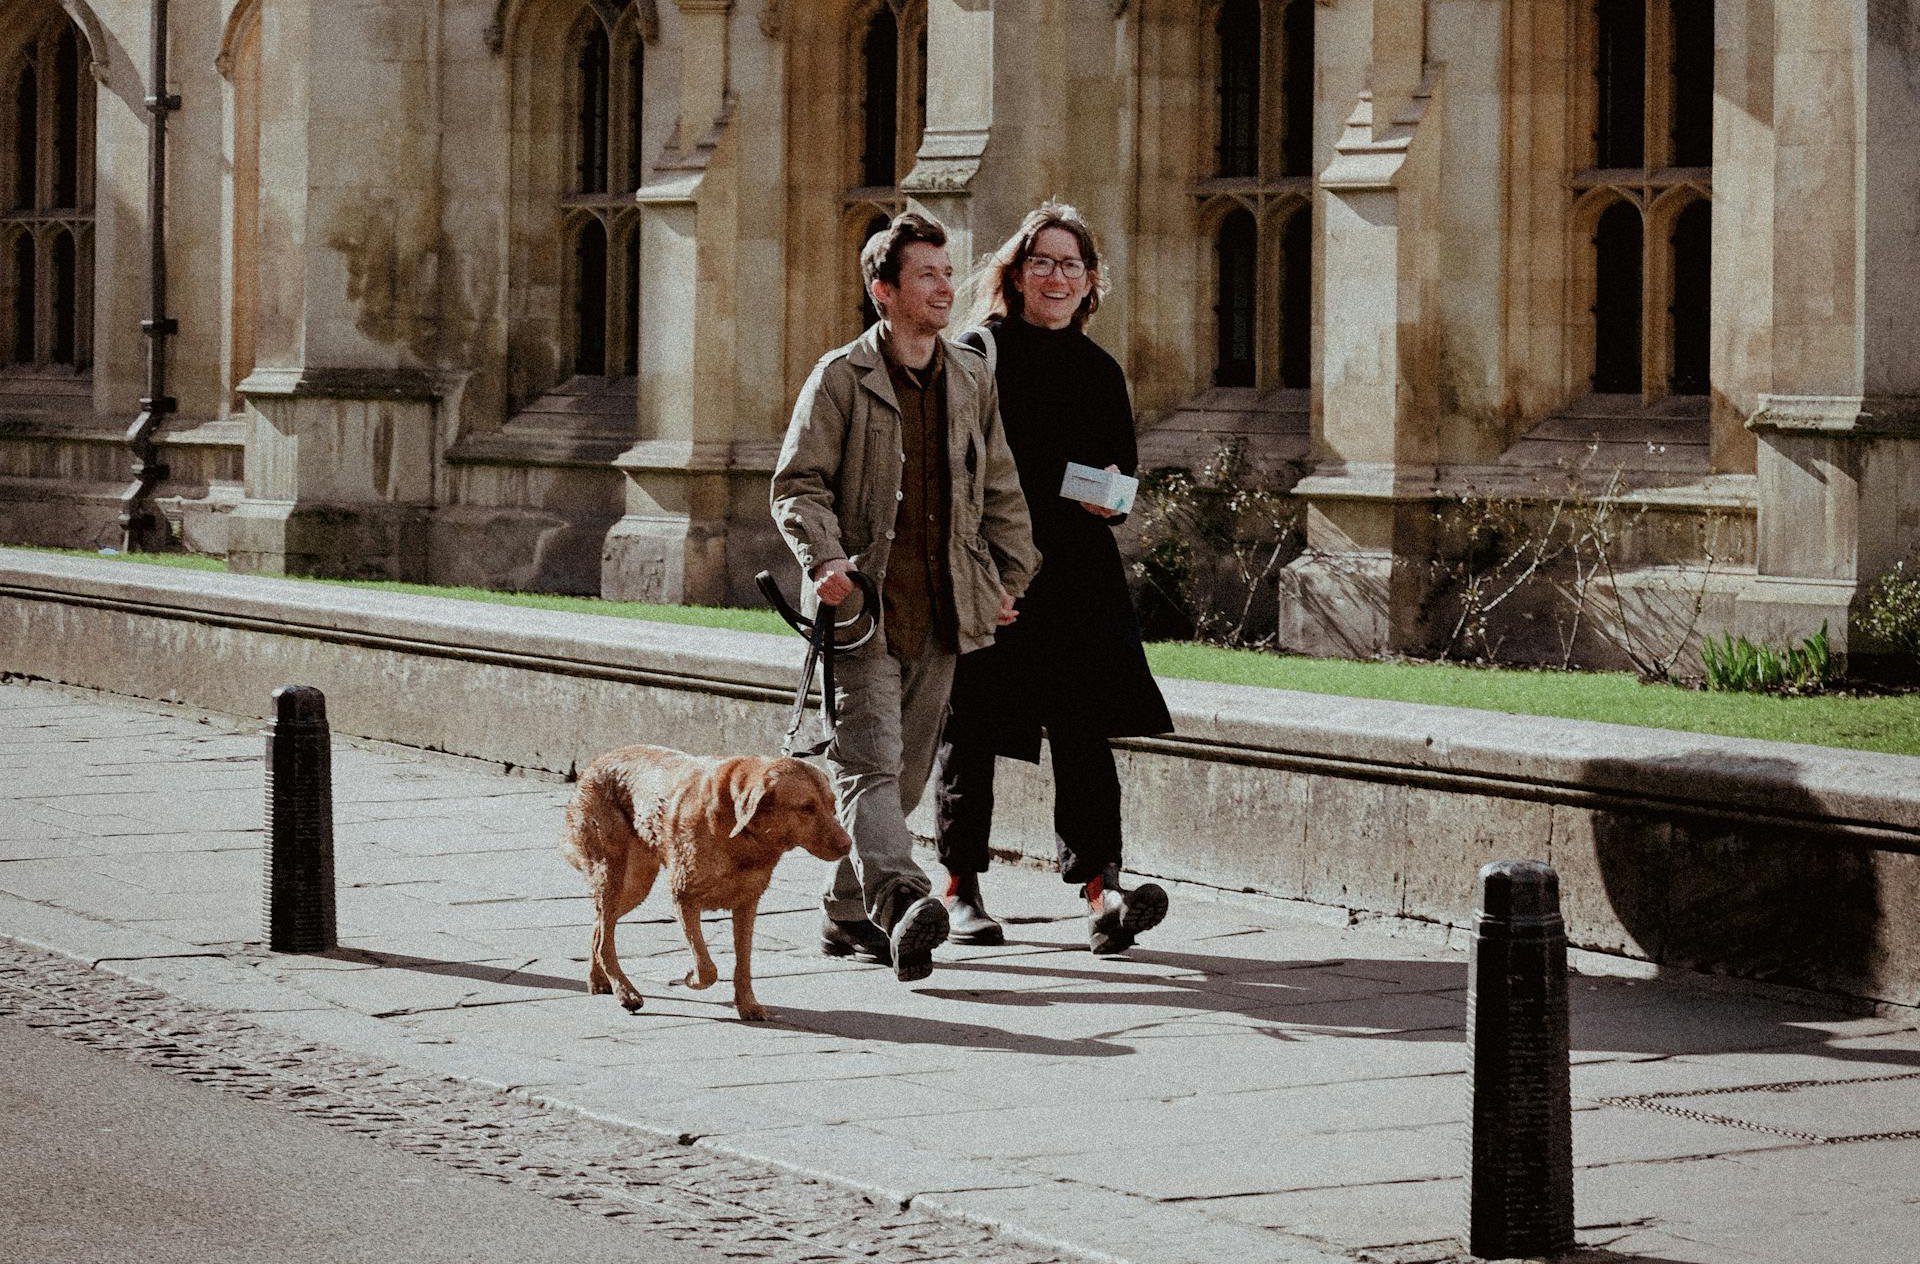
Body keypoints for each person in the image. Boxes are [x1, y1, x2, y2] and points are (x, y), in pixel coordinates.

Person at [770, 211, 1041, 983]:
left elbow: (1000, 488)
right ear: (884, 291)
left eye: (949, 274)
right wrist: (826, 562)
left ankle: (843, 910)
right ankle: (901, 900)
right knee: (869, 764)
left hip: (945, 606)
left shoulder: (970, 375)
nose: (946, 288)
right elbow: (797, 484)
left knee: (908, 774)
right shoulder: (839, 377)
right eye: (927, 276)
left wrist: (1008, 580)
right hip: (861, 612)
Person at [934, 203, 1174, 955]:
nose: (1056, 276)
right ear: (1015, 272)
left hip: (1076, 575)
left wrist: (1103, 490)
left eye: (1072, 264)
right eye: (1042, 261)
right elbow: (952, 470)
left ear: (1091, 281)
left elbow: (1122, 484)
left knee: (1084, 733)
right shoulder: (978, 355)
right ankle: (959, 887)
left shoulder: (1102, 370)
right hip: (994, 569)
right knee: (969, 726)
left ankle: (1103, 891)